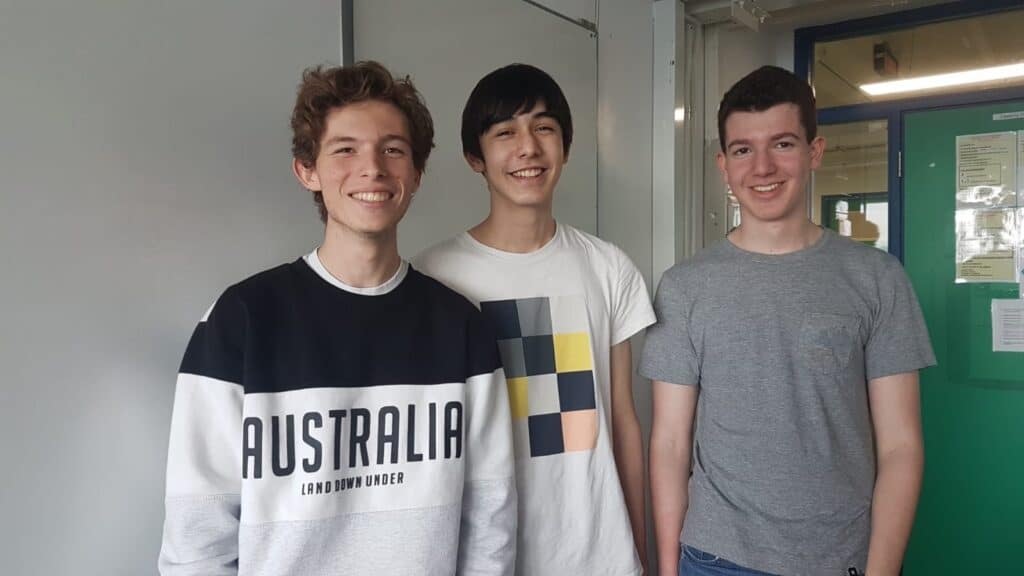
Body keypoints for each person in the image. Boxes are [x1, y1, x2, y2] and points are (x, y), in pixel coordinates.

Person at [158, 61, 516, 576]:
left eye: (393, 149)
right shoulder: (242, 320)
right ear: (308, 170)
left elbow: (490, 523)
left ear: (416, 174)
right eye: (345, 149)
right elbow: (197, 537)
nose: (372, 168)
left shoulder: (461, 327)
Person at [643, 65, 935, 576]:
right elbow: (669, 442)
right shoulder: (684, 286)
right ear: (723, 164)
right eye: (743, 150)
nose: (762, 168)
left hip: (840, 557)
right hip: (716, 558)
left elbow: (901, 446)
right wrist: (669, 568)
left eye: (782, 144)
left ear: (813, 151)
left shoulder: (877, 278)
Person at [414, 63, 655, 576]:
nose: (528, 147)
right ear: (475, 157)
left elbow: (623, 421)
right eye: (505, 133)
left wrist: (639, 546)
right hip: (485, 558)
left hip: (600, 557)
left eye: (544, 127)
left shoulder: (609, 267)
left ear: (565, 146)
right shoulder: (432, 278)